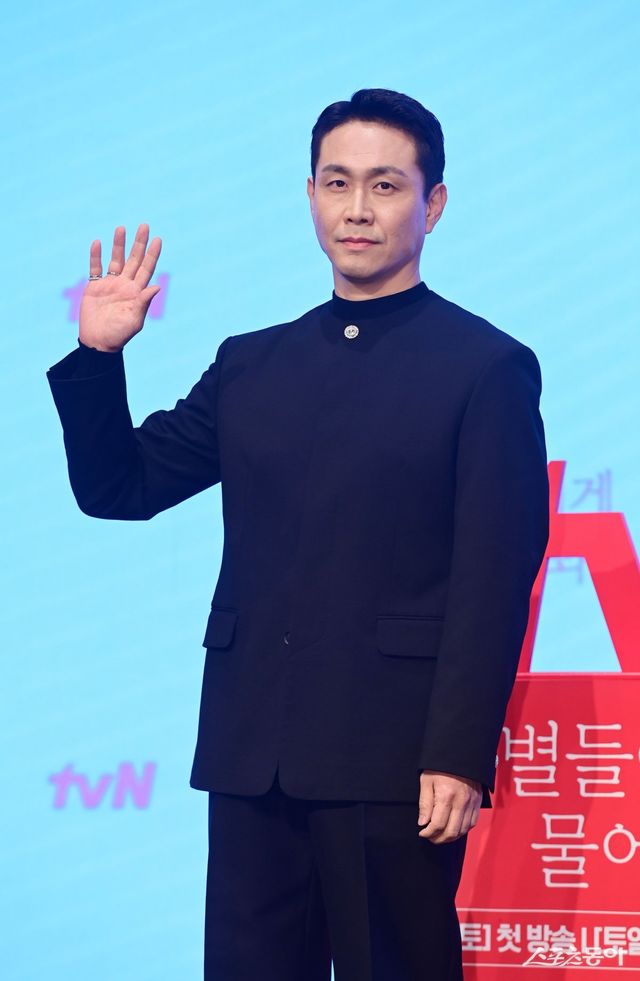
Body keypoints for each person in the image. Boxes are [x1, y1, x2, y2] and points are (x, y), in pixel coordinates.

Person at [47, 88, 550, 980]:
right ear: (310, 195)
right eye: (337, 182)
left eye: (386, 185)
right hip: (251, 753)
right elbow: (119, 487)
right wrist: (99, 357)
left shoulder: (486, 367)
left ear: (433, 203)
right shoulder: (252, 362)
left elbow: (495, 575)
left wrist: (458, 752)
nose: (358, 208)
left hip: (394, 760)